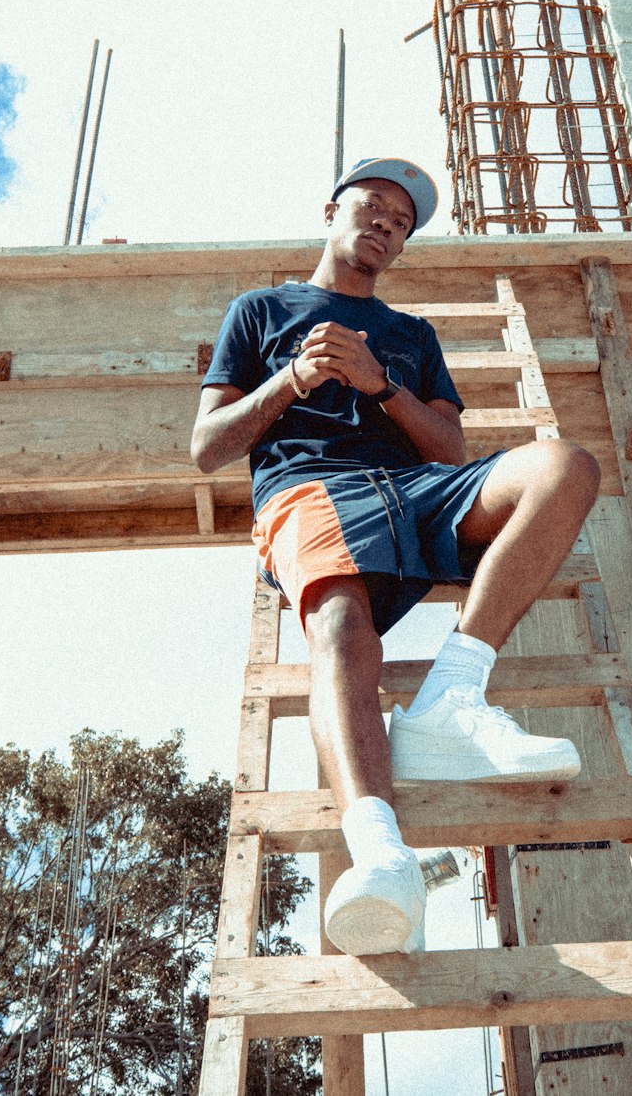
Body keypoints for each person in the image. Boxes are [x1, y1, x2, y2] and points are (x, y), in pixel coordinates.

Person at [191, 158, 601, 956]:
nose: (383, 224)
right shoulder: (260, 309)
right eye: (372, 206)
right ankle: (381, 851)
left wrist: (381, 385)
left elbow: (449, 450)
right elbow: (208, 447)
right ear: (331, 209)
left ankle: (452, 697)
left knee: (565, 466)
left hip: (416, 490)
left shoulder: (413, 335)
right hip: (312, 494)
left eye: (400, 223)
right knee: (342, 628)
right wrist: (293, 380)